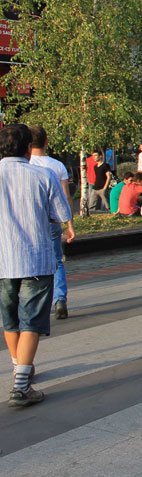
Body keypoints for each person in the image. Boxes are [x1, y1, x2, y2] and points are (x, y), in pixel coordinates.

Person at [0, 124, 73, 407]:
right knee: (32, 319)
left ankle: (21, 366)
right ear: (28, 147)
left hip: (2, 258)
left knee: (10, 317)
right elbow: (61, 213)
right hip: (35, 257)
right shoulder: (43, 175)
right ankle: (21, 384)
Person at [29, 126, 76, 320]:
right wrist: (70, 224)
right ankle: (60, 300)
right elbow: (66, 197)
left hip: (31, 220)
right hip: (53, 219)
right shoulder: (57, 166)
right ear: (47, 142)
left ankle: (34, 303)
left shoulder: (25, 164)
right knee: (57, 260)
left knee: (32, 262)